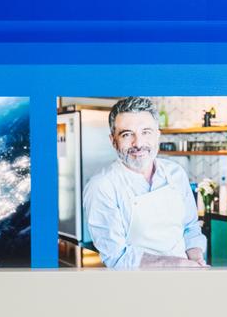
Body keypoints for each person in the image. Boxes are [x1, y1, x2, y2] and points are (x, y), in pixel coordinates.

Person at [83, 97, 207, 269]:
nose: (138, 143)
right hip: (137, 288)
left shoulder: (175, 173)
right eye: (127, 134)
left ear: (158, 135)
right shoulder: (102, 186)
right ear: (113, 140)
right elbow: (117, 257)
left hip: (184, 278)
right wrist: (179, 264)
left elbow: (190, 228)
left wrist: (197, 259)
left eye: (146, 132)